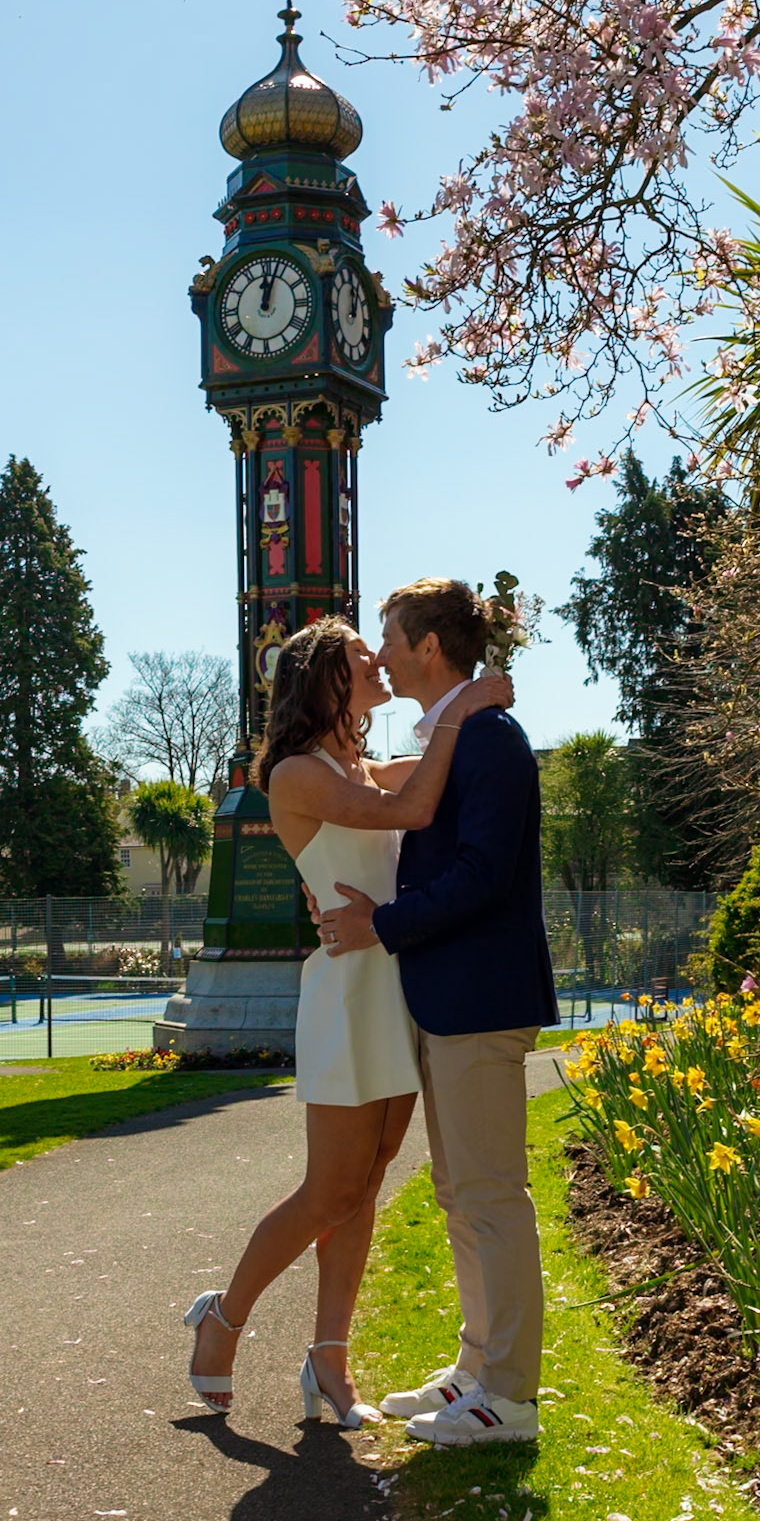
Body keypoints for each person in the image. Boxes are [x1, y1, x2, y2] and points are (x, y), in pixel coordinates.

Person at [184, 617, 511, 1426]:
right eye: (360, 657)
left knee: (365, 1187)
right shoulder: (295, 774)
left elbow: (436, 774)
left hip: (393, 982)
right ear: (324, 678)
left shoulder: (355, 765)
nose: (377, 661)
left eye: (378, 649)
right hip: (343, 994)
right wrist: (466, 704)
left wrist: (474, 717)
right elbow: (416, 806)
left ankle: (330, 1358)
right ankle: (222, 1319)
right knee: (326, 1189)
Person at [315, 578, 557, 1446]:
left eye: (388, 635)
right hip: (448, 998)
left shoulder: (490, 738)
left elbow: (483, 877)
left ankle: (512, 1399)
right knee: (463, 1193)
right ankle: (477, 1370)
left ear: (428, 646)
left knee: (492, 1195)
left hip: (480, 1001)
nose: (378, 653)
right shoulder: (460, 733)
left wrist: (378, 924)